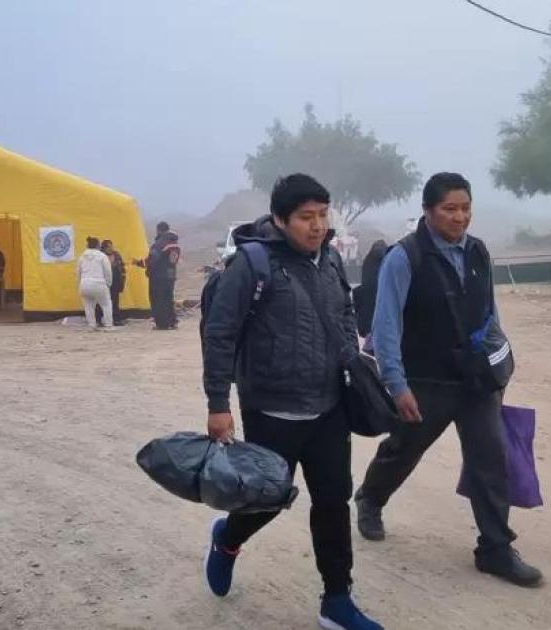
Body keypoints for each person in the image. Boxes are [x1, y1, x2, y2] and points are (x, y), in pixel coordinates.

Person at [201, 174, 382, 630]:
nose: (318, 225)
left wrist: (353, 360)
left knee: (333, 502)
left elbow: (344, 312)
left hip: (328, 406)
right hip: (271, 408)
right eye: (306, 217)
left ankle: (336, 601)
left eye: (323, 215)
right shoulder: (252, 263)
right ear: (281, 219)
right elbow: (220, 334)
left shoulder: (331, 261)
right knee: (266, 499)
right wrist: (218, 403)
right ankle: (227, 538)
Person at [355, 172, 543, 588]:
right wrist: (397, 385)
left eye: (465, 208)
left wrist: (499, 366)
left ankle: (494, 549)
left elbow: (489, 313)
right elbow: (386, 327)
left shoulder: (478, 251)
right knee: (404, 450)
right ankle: (370, 499)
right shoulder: (405, 258)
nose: (460, 218)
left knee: (490, 461)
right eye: (450, 209)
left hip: (475, 382)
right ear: (428, 211)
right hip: (425, 381)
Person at [144, 222, 180, 330]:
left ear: (159, 230)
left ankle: (162, 324)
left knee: (158, 299)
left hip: (159, 276)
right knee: (168, 298)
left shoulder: (160, 243)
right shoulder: (175, 244)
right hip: (171, 275)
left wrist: (143, 266)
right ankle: (172, 321)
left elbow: (153, 259)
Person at [77, 236, 115, 331]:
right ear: (98, 245)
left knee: (88, 306)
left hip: (84, 283)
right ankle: (108, 325)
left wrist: (80, 283)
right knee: (106, 304)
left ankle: (92, 325)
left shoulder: (82, 257)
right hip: (99, 283)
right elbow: (108, 272)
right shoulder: (102, 256)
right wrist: (108, 284)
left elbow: (78, 272)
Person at [96, 240, 127, 326]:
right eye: (109, 247)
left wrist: (122, 281)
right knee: (100, 302)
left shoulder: (116, 255)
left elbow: (122, 268)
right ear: (104, 248)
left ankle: (116, 319)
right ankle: (98, 320)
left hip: (115, 281)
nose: (111, 249)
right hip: (103, 282)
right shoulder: (100, 256)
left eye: (112, 247)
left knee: (115, 301)